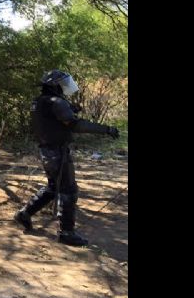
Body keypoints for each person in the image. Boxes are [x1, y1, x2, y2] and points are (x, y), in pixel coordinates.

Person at [13, 70, 120, 246]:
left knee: (53, 187)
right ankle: (66, 233)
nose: (65, 87)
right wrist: (106, 130)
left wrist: (70, 109)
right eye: (63, 84)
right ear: (55, 85)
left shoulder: (39, 101)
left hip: (46, 150)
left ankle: (24, 213)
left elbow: (53, 119)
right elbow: (75, 124)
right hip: (57, 152)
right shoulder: (56, 102)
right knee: (68, 190)